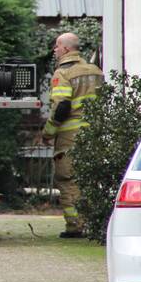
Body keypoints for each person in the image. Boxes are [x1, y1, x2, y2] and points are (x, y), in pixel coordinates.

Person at [42, 32, 103, 238]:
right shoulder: (95, 71)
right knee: (90, 179)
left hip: (71, 137)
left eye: (57, 46)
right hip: (95, 135)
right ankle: (94, 223)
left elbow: (61, 108)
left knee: (68, 180)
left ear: (66, 49)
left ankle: (76, 226)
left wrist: (48, 133)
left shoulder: (63, 73)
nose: (54, 50)